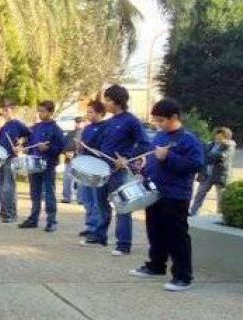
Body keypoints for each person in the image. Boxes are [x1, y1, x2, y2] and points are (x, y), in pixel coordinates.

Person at [128, 99, 204, 291]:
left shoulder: (189, 139)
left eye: (161, 120)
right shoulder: (160, 137)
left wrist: (170, 157)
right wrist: (141, 171)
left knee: (176, 236)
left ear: (174, 117)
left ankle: (183, 276)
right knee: (155, 231)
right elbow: (153, 161)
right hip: (155, 192)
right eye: (156, 120)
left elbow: (196, 165)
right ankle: (156, 265)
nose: (158, 124)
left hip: (176, 195)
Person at [88, 84, 150, 256]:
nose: (105, 103)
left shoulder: (131, 121)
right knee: (100, 204)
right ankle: (100, 236)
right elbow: (98, 144)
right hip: (102, 169)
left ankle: (123, 244)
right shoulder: (108, 122)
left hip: (119, 171)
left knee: (122, 206)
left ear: (117, 101)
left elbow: (144, 144)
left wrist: (127, 157)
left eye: (108, 100)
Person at [18, 100, 65, 232]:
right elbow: (29, 143)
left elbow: (61, 148)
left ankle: (51, 221)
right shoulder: (36, 127)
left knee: (49, 192)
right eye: (39, 110)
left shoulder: (56, 130)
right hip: (34, 164)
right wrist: (25, 147)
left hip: (48, 165)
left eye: (43, 111)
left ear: (51, 112)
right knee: (34, 192)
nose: (40, 113)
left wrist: (48, 148)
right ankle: (33, 218)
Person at [0, 101, 30, 223]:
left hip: (11, 157)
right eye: (3, 110)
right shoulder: (5, 126)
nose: (4, 112)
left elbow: (29, 136)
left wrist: (21, 143)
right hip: (1, 159)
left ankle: (11, 213)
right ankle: (4, 211)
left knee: (9, 186)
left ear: (13, 111)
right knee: (0, 186)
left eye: (7, 110)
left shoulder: (18, 124)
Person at [78, 101, 107, 244]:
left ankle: (97, 227)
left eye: (91, 112)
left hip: (98, 167)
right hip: (86, 165)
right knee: (86, 197)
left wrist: (96, 150)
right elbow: (83, 146)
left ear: (100, 113)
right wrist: (80, 146)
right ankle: (89, 224)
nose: (88, 114)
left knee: (97, 199)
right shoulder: (87, 128)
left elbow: (104, 147)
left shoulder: (105, 127)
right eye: (87, 112)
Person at [190, 127, 236, 216]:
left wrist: (209, 155)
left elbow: (222, 156)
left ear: (226, 137)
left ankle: (220, 216)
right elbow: (203, 156)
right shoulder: (211, 145)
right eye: (217, 137)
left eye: (221, 137)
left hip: (221, 175)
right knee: (200, 194)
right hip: (207, 174)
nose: (218, 139)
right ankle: (193, 212)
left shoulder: (230, 146)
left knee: (221, 198)